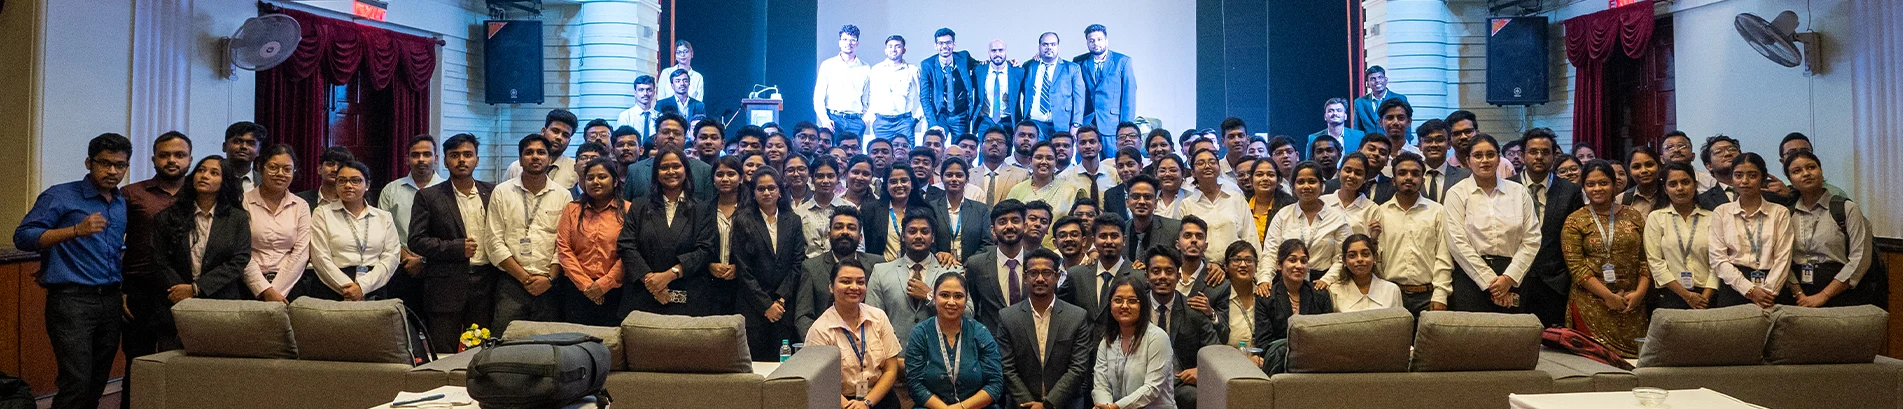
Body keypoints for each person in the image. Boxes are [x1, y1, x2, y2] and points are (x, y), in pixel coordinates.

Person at [15, 133, 131, 409]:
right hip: (72, 300)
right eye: (104, 163)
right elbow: (23, 236)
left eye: (120, 165)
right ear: (89, 163)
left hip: (110, 299)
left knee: (97, 381)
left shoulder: (120, 202)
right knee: (76, 381)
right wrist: (76, 230)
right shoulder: (60, 195)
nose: (112, 171)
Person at [149, 156, 252, 358]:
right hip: (174, 303)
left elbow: (239, 259)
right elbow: (159, 259)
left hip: (220, 304)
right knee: (173, 364)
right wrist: (180, 291)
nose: (205, 176)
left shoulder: (237, 218)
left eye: (214, 173)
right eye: (201, 170)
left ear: (224, 181)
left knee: (215, 366)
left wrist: (197, 289)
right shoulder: (168, 216)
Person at [409, 133, 499, 352]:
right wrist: (456, 248)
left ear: (477, 160)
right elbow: (416, 240)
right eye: (455, 155)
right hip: (445, 286)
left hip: (486, 282)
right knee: (443, 350)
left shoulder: (493, 192)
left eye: (468, 155)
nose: (461, 160)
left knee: (482, 351)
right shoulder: (429, 196)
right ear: (445, 160)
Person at [120, 132, 192, 406]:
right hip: (139, 288)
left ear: (190, 159)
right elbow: (111, 244)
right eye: (165, 155)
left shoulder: (199, 195)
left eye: (179, 155)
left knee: (182, 364)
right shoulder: (131, 194)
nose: (172, 160)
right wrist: (120, 287)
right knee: (138, 363)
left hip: (185, 290)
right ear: (153, 159)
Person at [1560, 160, 1651, 357]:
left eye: (1603, 183)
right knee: (1594, 366)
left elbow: (1645, 260)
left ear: (1613, 184)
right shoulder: (1575, 220)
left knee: (1634, 365)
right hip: (1591, 305)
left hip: (1631, 304)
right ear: (1583, 187)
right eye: (1590, 184)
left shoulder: (1633, 215)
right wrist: (1608, 296)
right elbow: (1577, 268)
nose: (1597, 189)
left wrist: (1639, 294)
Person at [1443, 134, 1542, 314]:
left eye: (1490, 155)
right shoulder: (1456, 193)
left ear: (1499, 159)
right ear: (1468, 161)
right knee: (1474, 331)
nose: (1485, 160)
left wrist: (1508, 279)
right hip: (1471, 278)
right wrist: (1491, 282)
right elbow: (1456, 242)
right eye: (1477, 155)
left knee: (1514, 330)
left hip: (1513, 275)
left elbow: (1532, 238)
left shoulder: (1518, 192)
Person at [618, 149, 717, 317]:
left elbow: (705, 249)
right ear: (656, 173)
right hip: (643, 295)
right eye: (664, 167)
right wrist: (651, 282)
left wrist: (669, 275)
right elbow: (626, 245)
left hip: (689, 297)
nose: (671, 171)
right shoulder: (639, 206)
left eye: (676, 166)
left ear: (686, 170)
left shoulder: (702, 209)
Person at [489, 135, 573, 332]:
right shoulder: (502, 192)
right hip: (511, 283)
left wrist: (549, 279)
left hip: (550, 285)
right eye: (529, 152)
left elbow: (565, 244)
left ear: (550, 159)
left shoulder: (563, 195)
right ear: (520, 160)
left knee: (547, 341)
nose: (535, 157)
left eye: (541, 152)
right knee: (505, 339)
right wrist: (524, 277)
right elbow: (494, 241)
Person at [1782, 150, 1881, 307]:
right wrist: (1799, 294)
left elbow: (1860, 258)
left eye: (1811, 167)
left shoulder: (1846, 209)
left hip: (1840, 293)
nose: (1806, 173)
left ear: (1821, 172)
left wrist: (1824, 295)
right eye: (1797, 171)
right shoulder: (1787, 214)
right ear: (1790, 181)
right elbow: (1781, 259)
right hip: (1797, 295)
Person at [999, 248, 1095, 409]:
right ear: (1025, 277)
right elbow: (1007, 368)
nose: (1040, 279)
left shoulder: (1076, 317)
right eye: (1033, 273)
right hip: (1022, 405)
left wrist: (1048, 404)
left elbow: (1078, 367)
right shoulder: (1008, 317)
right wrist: (1030, 405)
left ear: (1057, 277)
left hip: (1066, 404)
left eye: (1046, 273)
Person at [1507, 128, 1584, 326]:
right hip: (1513, 279)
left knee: (1553, 341)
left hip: (1554, 283)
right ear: (1523, 155)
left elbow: (1576, 240)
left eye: (1545, 152)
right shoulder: (1505, 188)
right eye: (1533, 152)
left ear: (1554, 156)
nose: (1539, 157)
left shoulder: (1570, 191)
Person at [731, 166, 808, 359]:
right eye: (761, 188)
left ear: (780, 191)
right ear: (753, 192)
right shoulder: (742, 220)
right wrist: (766, 305)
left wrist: (780, 300)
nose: (766, 192)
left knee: (783, 365)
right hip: (753, 308)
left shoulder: (793, 220)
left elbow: (798, 263)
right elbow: (743, 269)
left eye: (771, 188)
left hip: (784, 307)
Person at [807, 259, 904, 409]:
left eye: (860, 282)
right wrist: (850, 406)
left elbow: (891, 370)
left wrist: (866, 403)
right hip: (840, 402)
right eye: (846, 281)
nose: (854, 287)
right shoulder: (820, 329)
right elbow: (820, 380)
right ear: (831, 286)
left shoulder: (878, 317)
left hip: (879, 398)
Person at [1368, 152, 1454, 315]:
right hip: (1390, 295)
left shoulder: (1437, 212)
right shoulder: (1380, 213)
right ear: (1393, 180)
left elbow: (1444, 255)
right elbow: (1377, 259)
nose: (1409, 178)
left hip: (1428, 296)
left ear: (1423, 180)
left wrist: (1440, 294)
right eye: (1402, 173)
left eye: (1415, 174)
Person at [904, 272, 1005, 409]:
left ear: (966, 300)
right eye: (944, 295)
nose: (951, 302)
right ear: (934, 298)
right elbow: (914, 384)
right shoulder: (920, 334)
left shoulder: (980, 332)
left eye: (958, 296)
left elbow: (995, 383)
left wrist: (961, 407)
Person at [868, 206, 960, 349]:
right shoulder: (881, 272)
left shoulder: (952, 270)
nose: (918, 236)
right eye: (912, 231)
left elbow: (968, 313)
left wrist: (930, 297)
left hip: (941, 353)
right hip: (894, 354)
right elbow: (872, 321)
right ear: (903, 236)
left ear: (933, 238)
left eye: (925, 231)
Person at [309, 161, 401, 301]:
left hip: (374, 286)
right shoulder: (322, 213)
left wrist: (363, 287)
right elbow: (320, 258)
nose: (348, 185)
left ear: (367, 185)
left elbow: (391, 256)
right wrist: (350, 290)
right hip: (333, 287)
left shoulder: (383, 217)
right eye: (342, 181)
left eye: (355, 180)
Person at [1710, 153, 1793, 309]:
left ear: (1763, 178)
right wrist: (1750, 290)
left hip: (1773, 288)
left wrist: (1768, 292)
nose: (1745, 181)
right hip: (1734, 287)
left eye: (1752, 175)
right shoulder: (1721, 212)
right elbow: (1718, 259)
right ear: (1732, 178)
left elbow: (1784, 257)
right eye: (1738, 175)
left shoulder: (1780, 212)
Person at [1138, 245, 1216, 408]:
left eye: (1169, 271)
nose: (1163, 277)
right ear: (1146, 276)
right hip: (1139, 380)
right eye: (1156, 271)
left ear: (1178, 276)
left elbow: (1215, 352)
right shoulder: (1135, 308)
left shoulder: (1194, 311)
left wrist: (1201, 370)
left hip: (1179, 383)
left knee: (1194, 397)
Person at [555, 158, 629, 326]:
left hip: (616, 290)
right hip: (577, 289)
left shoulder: (628, 210)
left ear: (615, 181)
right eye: (590, 178)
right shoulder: (572, 209)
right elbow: (564, 249)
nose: (595, 182)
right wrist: (587, 285)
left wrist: (603, 285)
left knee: (612, 339)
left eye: (602, 177)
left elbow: (629, 252)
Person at [1259, 162, 1352, 295]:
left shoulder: (1337, 219)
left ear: (1322, 186)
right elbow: (1271, 252)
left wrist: (1326, 280)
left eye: (1312, 181)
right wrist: (1265, 279)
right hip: (1287, 283)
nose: (1306, 186)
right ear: (1293, 187)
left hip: (1324, 285)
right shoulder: (1283, 215)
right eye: (1300, 182)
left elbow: (1341, 257)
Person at [796, 206, 886, 336]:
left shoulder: (877, 265)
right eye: (838, 227)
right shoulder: (811, 268)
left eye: (851, 228)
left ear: (860, 237)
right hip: (827, 342)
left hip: (871, 339)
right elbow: (803, 316)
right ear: (828, 235)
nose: (844, 232)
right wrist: (820, 343)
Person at [1091, 275, 1176, 409]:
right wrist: (1106, 406)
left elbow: (1152, 388)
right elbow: (1101, 386)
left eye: (1132, 301)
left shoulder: (1157, 338)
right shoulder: (1107, 341)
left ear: (1142, 305)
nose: (1124, 306)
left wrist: (1116, 407)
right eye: (1118, 300)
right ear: (1110, 305)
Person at [378, 134, 442, 311]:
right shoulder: (391, 190)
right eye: (415, 155)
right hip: (401, 267)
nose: (421, 159)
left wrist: (424, 261)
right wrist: (407, 259)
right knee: (402, 320)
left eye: (427, 154)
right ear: (407, 159)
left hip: (438, 268)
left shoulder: (447, 190)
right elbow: (382, 232)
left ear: (436, 158)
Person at [1251, 239, 1334, 375]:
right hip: (1280, 365)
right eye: (1292, 260)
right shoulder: (1266, 297)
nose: (1299, 266)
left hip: (1316, 364)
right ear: (1279, 264)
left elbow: (1328, 335)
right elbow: (1264, 342)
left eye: (1303, 261)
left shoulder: (1320, 294)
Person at [1645, 162, 1719, 309]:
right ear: (1665, 189)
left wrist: (1704, 298)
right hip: (1671, 295)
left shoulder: (1712, 218)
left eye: (1685, 182)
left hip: (1708, 296)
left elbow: (1717, 262)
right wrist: (1687, 296)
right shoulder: (1656, 218)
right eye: (1673, 184)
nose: (1680, 188)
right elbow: (1655, 262)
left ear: (1695, 185)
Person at [243, 144, 310, 302]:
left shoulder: (301, 206)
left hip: (290, 288)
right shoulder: (243, 202)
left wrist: (276, 292)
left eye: (287, 169)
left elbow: (301, 253)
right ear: (260, 168)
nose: (280, 174)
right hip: (249, 286)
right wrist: (264, 290)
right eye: (273, 167)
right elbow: (241, 252)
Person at [963, 199, 1032, 331]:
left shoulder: (1037, 262)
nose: (1009, 226)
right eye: (1002, 222)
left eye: (1015, 221)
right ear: (993, 230)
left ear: (1025, 226)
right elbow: (973, 308)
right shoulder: (976, 264)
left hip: (1030, 339)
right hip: (990, 340)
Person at [1182, 148, 1257, 258]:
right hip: (1202, 266)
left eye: (1212, 162)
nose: (1207, 166)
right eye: (1201, 163)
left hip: (1237, 264)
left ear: (1219, 168)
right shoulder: (1186, 205)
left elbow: (1250, 236)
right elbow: (1185, 243)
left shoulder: (1236, 198)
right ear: (1193, 172)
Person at [624, 113, 715, 202]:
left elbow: (709, 207)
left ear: (684, 139)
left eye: (677, 133)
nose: (671, 136)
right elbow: (625, 206)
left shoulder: (704, 170)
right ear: (655, 138)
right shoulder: (635, 171)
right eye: (665, 132)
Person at [1067, 214, 1134, 318]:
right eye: (1103, 236)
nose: (1109, 241)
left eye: (1114, 236)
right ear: (1093, 240)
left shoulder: (1138, 275)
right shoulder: (1076, 275)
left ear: (1124, 240)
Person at [1020, 32, 1086, 137]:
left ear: (1058, 47)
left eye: (1053, 44)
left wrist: (1076, 124)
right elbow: (1023, 89)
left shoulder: (1072, 68)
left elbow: (1079, 99)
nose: (1049, 47)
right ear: (1039, 47)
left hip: (1062, 125)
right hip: (1034, 124)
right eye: (1045, 44)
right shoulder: (1029, 66)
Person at [920, 28, 980, 137]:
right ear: (935, 46)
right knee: (935, 143)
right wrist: (933, 123)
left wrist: (1007, 63)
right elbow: (924, 98)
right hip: (939, 115)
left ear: (954, 44)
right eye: (940, 43)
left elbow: (981, 67)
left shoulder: (964, 58)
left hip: (960, 115)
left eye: (948, 42)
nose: (944, 46)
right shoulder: (927, 65)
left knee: (961, 146)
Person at [1073, 24, 1136, 128]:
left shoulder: (1122, 61)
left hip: (1112, 123)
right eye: (1091, 40)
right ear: (1087, 43)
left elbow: (1129, 97)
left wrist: (1126, 128)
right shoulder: (1079, 62)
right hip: (1086, 123)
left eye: (1099, 39)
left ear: (1106, 40)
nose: (1096, 43)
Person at [817, 25, 873, 138]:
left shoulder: (865, 68)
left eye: (853, 40)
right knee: (833, 149)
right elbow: (819, 95)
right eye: (845, 39)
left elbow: (869, 98)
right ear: (839, 42)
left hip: (856, 121)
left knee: (854, 149)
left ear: (857, 44)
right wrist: (824, 119)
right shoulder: (828, 65)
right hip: (833, 120)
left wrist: (865, 120)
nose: (849, 43)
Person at [505, 109, 581, 190]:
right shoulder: (516, 168)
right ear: (543, 131)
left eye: (565, 135)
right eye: (555, 131)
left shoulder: (575, 170)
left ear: (569, 141)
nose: (559, 137)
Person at [933, 157, 993, 260]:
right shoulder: (932, 208)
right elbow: (928, 241)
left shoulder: (980, 209)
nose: (954, 179)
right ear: (942, 178)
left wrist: (969, 264)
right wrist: (938, 256)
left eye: (959, 175)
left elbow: (987, 244)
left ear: (966, 179)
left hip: (972, 266)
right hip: (939, 264)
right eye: (949, 175)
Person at [866, 35, 923, 141]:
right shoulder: (876, 70)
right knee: (881, 150)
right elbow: (870, 95)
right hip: (882, 123)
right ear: (885, 50)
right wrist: (872, 118)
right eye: (890, 46)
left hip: (904, 122)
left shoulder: (912, 70)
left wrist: (916, 118)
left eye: (898, 46)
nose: (893, 49)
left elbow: (924, 96)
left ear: (904, 50)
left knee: (906, 150)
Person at [1006, 141, 1079, 223]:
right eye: (1039, 157)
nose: (1044, 162)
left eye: (1049, 158)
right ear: (1030, 161)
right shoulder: (1017, 190)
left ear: (1056, 162)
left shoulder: (1070, 191)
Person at [1329, 234, 1402, 312]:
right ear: (1344, 261)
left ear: (1374, 258)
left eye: (1365, 254)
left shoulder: (1392, 290)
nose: (1359, 259)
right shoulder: (1335, 291)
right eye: (1352, 255)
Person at [864, 165, 924, 261]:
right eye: (893, 182)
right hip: (880, 267)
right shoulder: (871, 210)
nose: (899, 185)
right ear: (886, 186)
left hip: (915, 266)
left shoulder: (923, 211)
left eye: (904, 181)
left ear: (912, 184)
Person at [800, 156, 853, 258]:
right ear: (812, 179)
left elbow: (859, 247)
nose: (825, 180)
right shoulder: (799, 212)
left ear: (837, 178)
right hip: (809, 265)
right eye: (820, 176)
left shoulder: (850, 209)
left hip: (843, 264)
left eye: (830, 176)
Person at [1121, 175, 1182, 263]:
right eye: (1135, 197)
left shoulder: (1174, 229)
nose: (1141, 202)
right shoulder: (1120, 231)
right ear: (1127, 202)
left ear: (1156, 203)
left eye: (1147, 197)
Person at [1322, 153, 1378, 235]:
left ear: (1365, 179)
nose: (1352, 176)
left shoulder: (1371, 209)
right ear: (1339, 172)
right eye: (1348, 171)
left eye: (1358, 173)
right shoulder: (1322, 202)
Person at [975, 40, 1023, 133]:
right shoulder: (979, 71)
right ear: (988, 53)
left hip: (1008, 121)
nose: (997, 54)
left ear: (1006, 52)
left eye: (1001, 50)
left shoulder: (1018, 72)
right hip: (985, 120)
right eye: (993, 50)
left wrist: (1038, 55)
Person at [1415, 120, 1469, 203]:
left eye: (1439, 140)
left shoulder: (1465, 176)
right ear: (1419, 145)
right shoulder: (1411, 176)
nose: (1434, 145)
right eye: (1428, 140)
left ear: (1449, 144)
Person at [976, 127, 1031, 205]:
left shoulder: (1022, 175)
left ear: (1006, 149)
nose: (994, 144)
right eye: (989, 140)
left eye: (1000, 142)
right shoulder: (969, 174)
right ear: (981, 147)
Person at [1352, 66, 1407, 134]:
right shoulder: (1359, 103)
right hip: (1369, 140)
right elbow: (1357, 131)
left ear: (1386, 80)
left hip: (1393, 140)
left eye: (1380, 77)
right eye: (1373, 79)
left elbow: (1406, 127)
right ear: (1368, 84)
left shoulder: (1400, 99)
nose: (1377, 81)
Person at [296, 146, 354, 211]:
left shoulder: (355, 201)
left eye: (340, 166)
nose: (335, 169)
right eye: (330, 164)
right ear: (319, 169)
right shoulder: (300, 200)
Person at [221, 122, 266, 191]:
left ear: (258, 151)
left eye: (251, 143)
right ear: (224, 146)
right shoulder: (209, 178)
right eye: (237, 141)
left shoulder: (265, 183)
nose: (244, 146)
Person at [1620, 147, 1664, 217]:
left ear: (1659, 167)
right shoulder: (1621, 200)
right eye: (1636, 167)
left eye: (1649, 165)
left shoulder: (1672, 195)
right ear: (1629, 172)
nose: (1644, 170)